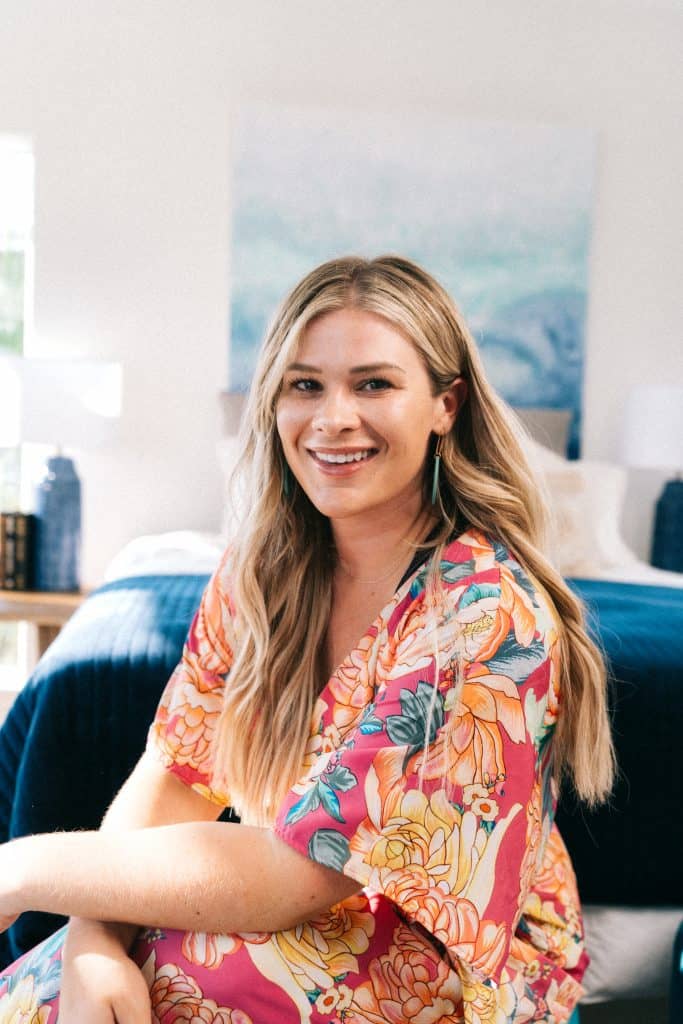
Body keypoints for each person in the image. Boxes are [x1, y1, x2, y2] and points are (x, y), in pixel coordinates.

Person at [0, 255, 614, 1023]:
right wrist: (93, 940)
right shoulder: (262, 572)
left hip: (461, 960)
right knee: (58, 981)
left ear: (444, 406)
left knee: (178, 978)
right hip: (309, 904)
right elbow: (176, 778)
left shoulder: (484, 617)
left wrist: (22, 869)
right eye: (305, 385)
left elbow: (299, 875)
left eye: (373, 383)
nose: (332, 419)